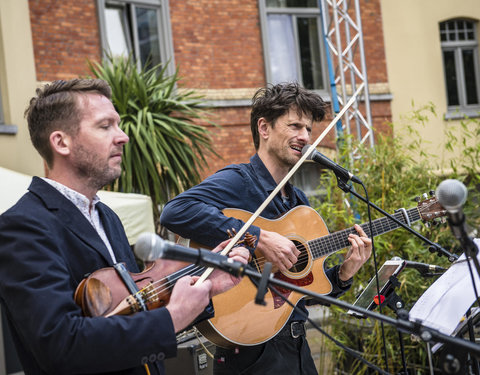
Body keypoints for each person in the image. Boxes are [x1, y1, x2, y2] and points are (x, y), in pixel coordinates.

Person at [0, 79, 249, 375]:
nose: (124, 137)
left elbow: (139, 312)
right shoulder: (22, 226)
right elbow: (61, 346)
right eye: (105, 126)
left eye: (117, 125)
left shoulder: (107, 217)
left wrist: (207, 284)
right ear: (61, 142)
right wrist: (173, 317)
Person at [160, 82, 373, 375]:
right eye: (295, 126)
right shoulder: (237, 181)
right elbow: (175, 212)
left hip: (297, 350)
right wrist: (257, 238)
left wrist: (344, 275)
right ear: (264, 128)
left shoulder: (299, 202)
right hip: (250, 354)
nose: (305, 137)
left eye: (309, 130)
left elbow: (302, 290)